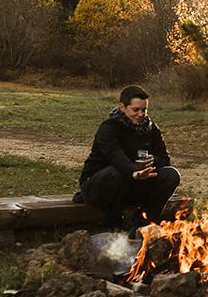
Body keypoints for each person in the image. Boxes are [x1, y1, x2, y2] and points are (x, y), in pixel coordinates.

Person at [77, 84, 180, 232]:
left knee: (171, 175)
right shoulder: (109, 128)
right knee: (115, 173)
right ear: (122, 107)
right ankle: (110, 225)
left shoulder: (150, 129)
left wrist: (154, 160)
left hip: (132, 185)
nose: (140, 114)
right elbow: (115, 156)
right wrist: (134, 172)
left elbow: (164, 158)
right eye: (135, 110)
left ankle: (142, 221)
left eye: (144, 110)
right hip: (99, 186)